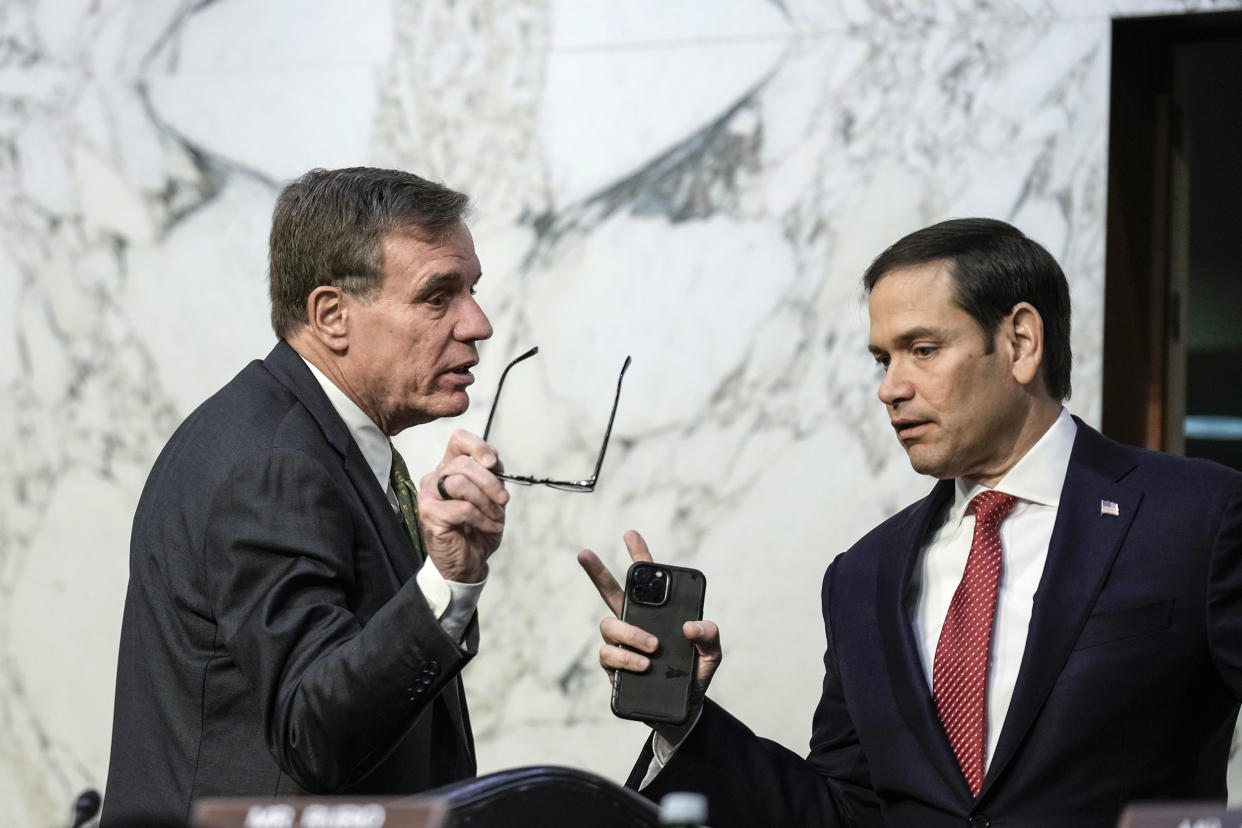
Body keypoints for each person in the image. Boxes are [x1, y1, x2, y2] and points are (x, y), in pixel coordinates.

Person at [581, 218, 1242, 827]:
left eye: (922, 350)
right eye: (882, 359)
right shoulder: (862, 575)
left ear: (1020, 342)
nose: (889, 388)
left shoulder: (1198, 516)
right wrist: (686, 718)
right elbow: (843, 811)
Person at [102, 167, 510, 826]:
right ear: (331, 316)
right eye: (439, 297)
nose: (478, 323)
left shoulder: (307, 439)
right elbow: (311, 731)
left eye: (473, 290)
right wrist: (446, 582)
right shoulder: (274, 466)